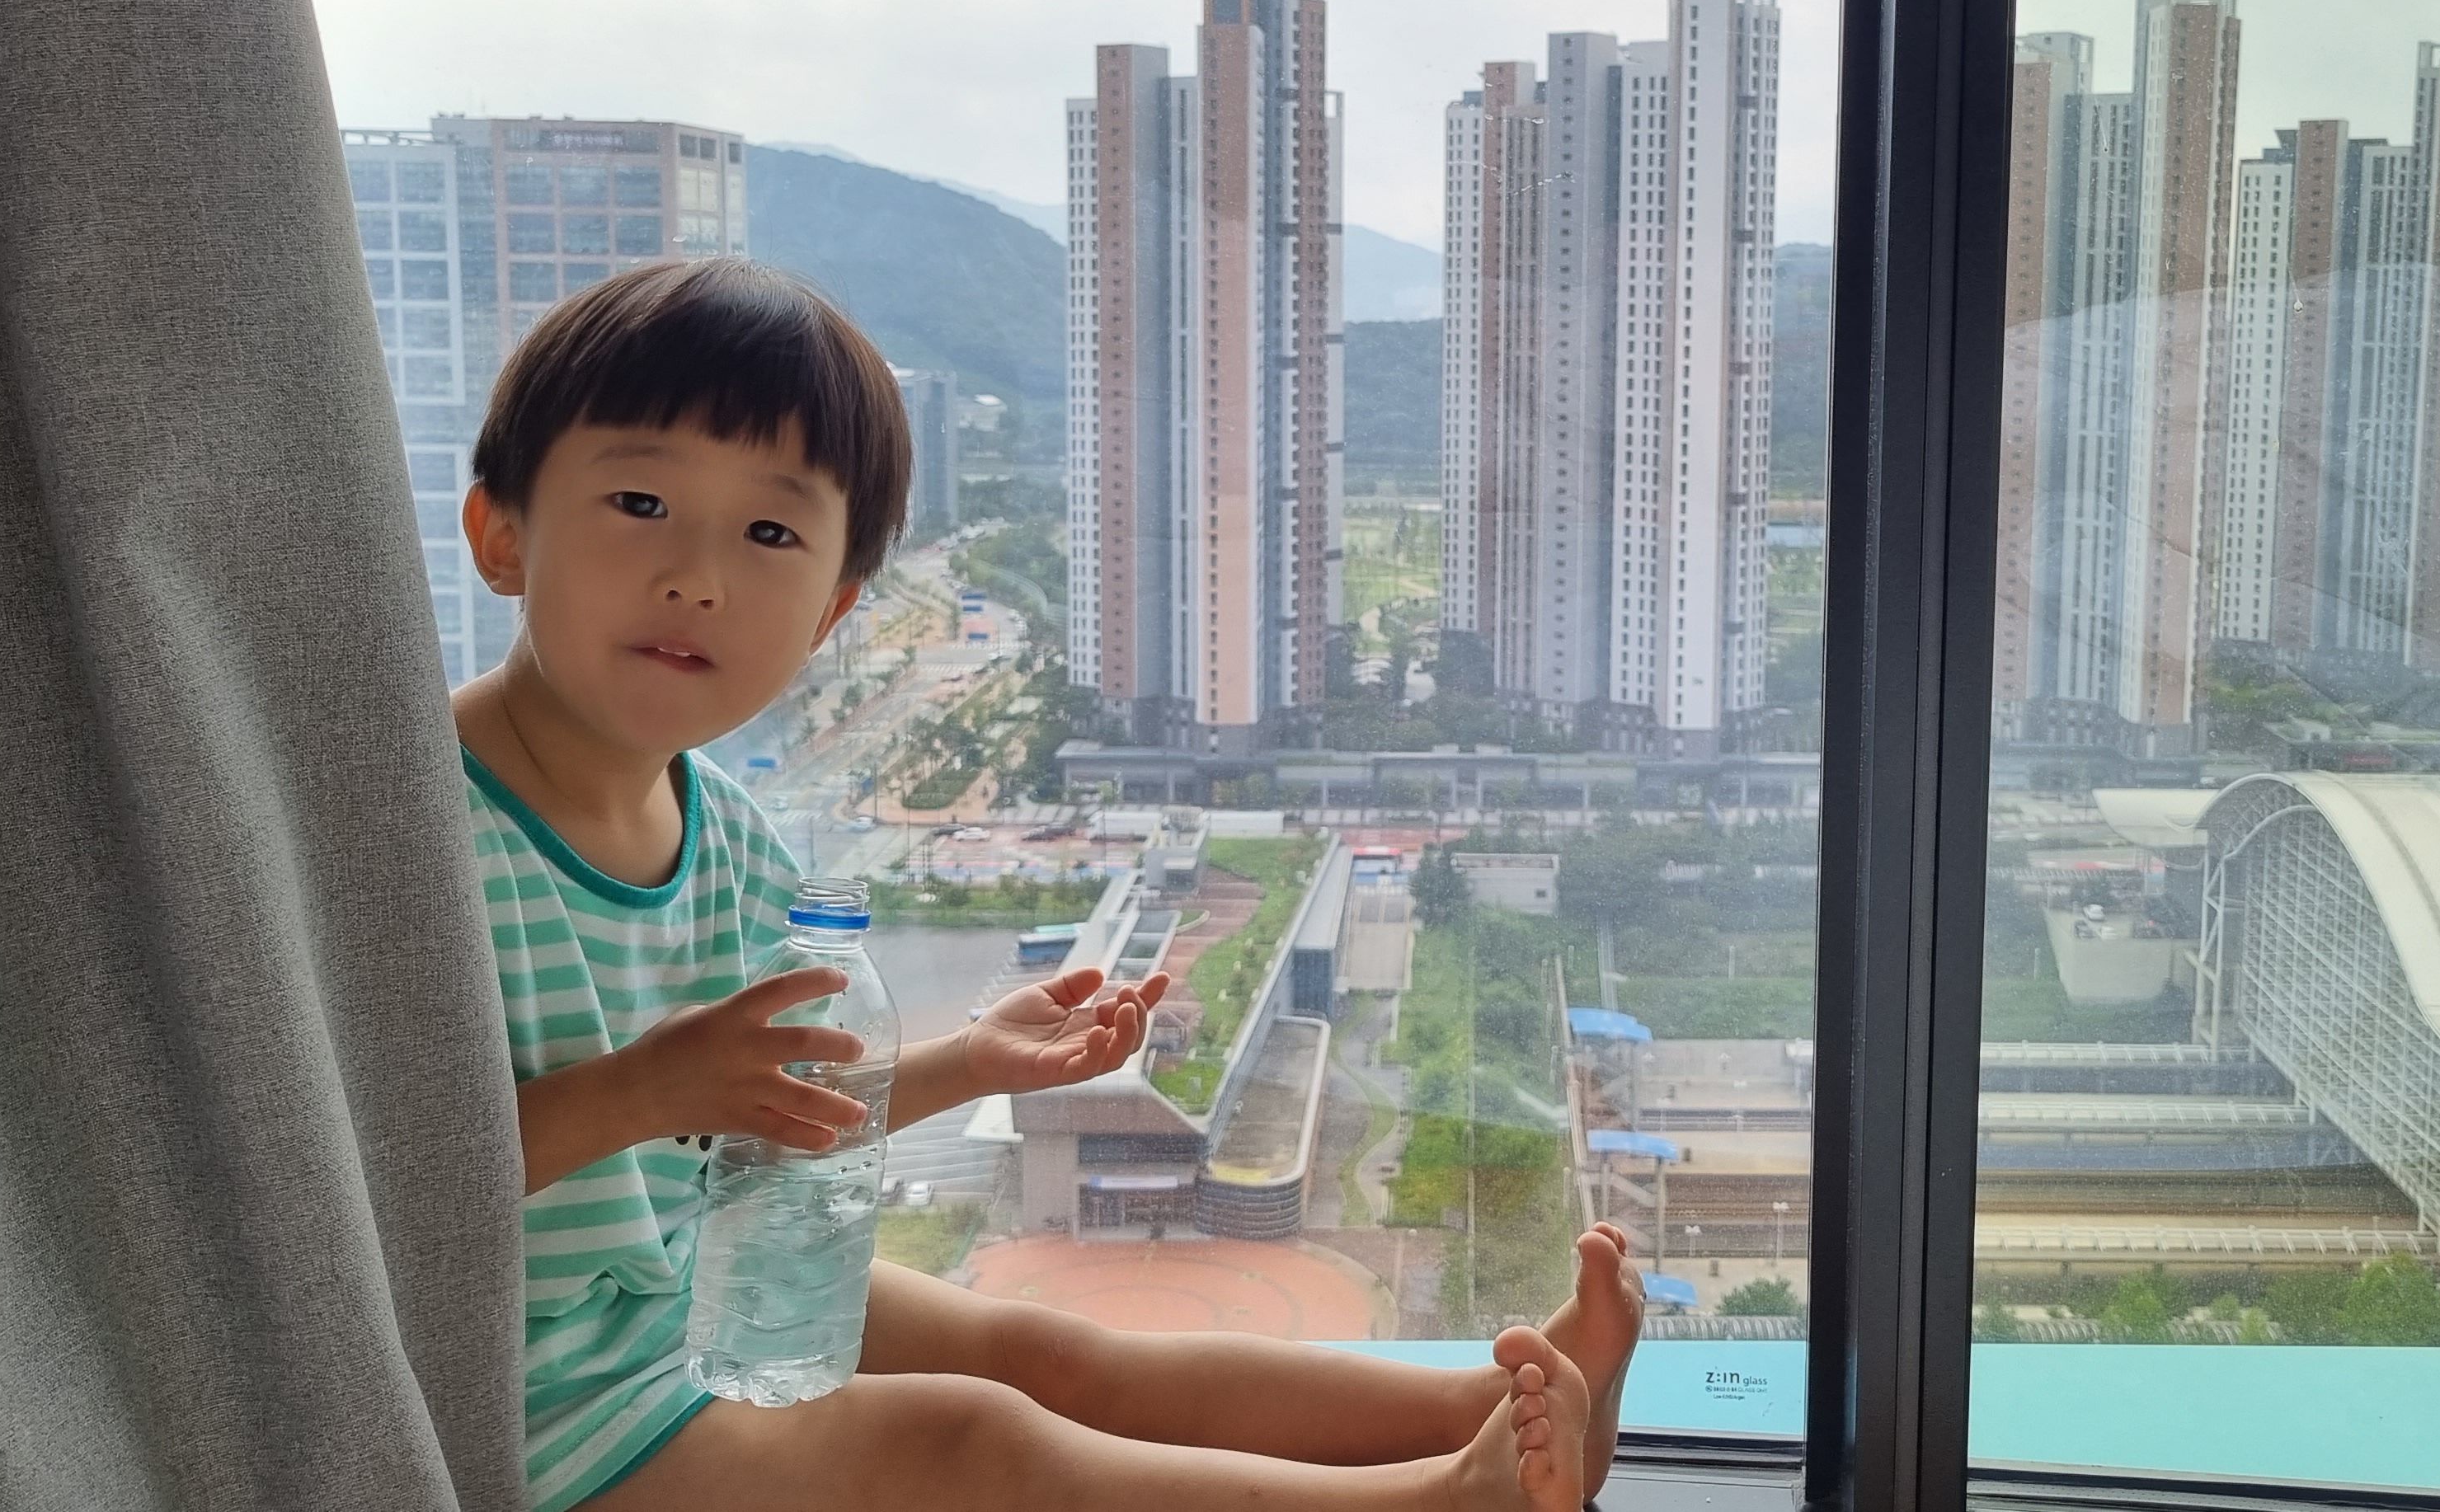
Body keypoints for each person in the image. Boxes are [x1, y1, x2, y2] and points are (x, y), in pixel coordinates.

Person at [454, 258, 1643, 1512]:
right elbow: (361, 1192)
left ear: (829, 613)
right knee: (970, 1443)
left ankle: (1495, 1409)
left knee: (1043, 1354)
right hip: (536, 1401)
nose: (699, 574)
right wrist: (642, 1093)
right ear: (502, 533)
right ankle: (1440, 1506)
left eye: (769, 533)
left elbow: (768, 1110)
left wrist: (970, 1063)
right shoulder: (426, 840)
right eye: (640, 500)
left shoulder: (734, 842)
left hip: (689, 1292)